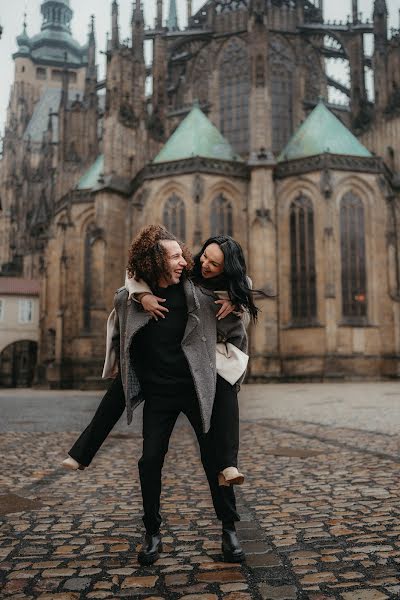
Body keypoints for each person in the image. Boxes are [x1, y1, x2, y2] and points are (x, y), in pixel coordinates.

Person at [65, 225, 248, 565]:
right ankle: (152, 532)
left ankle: (229, 529)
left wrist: (237, 300)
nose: (187, 260)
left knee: (214, 460)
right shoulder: (133, 298)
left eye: (183, 254)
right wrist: (140, 294)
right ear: (155, 263)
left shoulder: (197, 290)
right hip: (160, 394)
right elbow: (129, 283)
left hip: (196, 389)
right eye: (176, 256)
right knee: (150, 461)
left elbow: (240, 286)